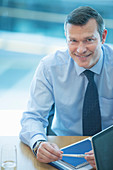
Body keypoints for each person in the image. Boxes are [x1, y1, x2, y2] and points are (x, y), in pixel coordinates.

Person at [20, 6, 113, 169]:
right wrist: (38, 143)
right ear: (66, 39)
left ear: (103, 37)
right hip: (66, 147)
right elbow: (33, 116)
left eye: (89, 40)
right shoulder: (50, 67)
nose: (81, 49)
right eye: (73, 41)